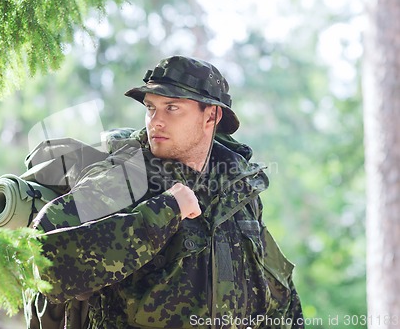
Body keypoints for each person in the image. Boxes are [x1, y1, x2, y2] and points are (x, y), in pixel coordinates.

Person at [30, 55, 304, 329]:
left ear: (211, 116)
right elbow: (43, 263)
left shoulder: (236, 189)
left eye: (171, 108)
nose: (155, 121)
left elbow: (278, 293)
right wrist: (164, 212)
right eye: (151, 108)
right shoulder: (125, 175)